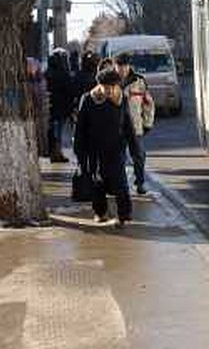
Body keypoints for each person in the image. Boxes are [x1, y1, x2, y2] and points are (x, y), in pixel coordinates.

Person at [73, 68, 141, 227]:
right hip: (94, 150)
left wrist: (134, 147)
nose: (109, 90)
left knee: (120, 182)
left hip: (116, 148)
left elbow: (128, 126)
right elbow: (80, 128)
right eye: (106, 87)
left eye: (113, 86)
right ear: (99, 85)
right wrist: (80, 153)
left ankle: (124, 214)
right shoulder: (88, 99)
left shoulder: (121, 99)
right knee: (98, 183)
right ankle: (100, 212)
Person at [113, 52, 154, 195]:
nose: (122, 69)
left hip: (135, 126)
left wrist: (147, 123)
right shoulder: (110, 81)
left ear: (129, 66)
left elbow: (148, 103)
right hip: (116, 127)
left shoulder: (138, 81)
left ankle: (140, 182)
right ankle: (121, 184)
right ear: (115, 66)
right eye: (119, 66)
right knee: (119, 158)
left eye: (124, 65)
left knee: (139, 156)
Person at [45, 49, 75, 163]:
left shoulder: (47, 73)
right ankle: (57, 153)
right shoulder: (63, 74)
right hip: (61, 108)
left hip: (50, 107)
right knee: (58, 131)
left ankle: (54, 152)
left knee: (53, 131)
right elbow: (69, 90)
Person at [25, 57, 49, 158]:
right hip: (30, 113)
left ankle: (42, 150)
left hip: (39, 112)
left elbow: (41, 95)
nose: (31, 68)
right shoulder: (26, 81)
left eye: (33, 65)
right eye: (30, 66)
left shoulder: (40, 80)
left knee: (40, 132)